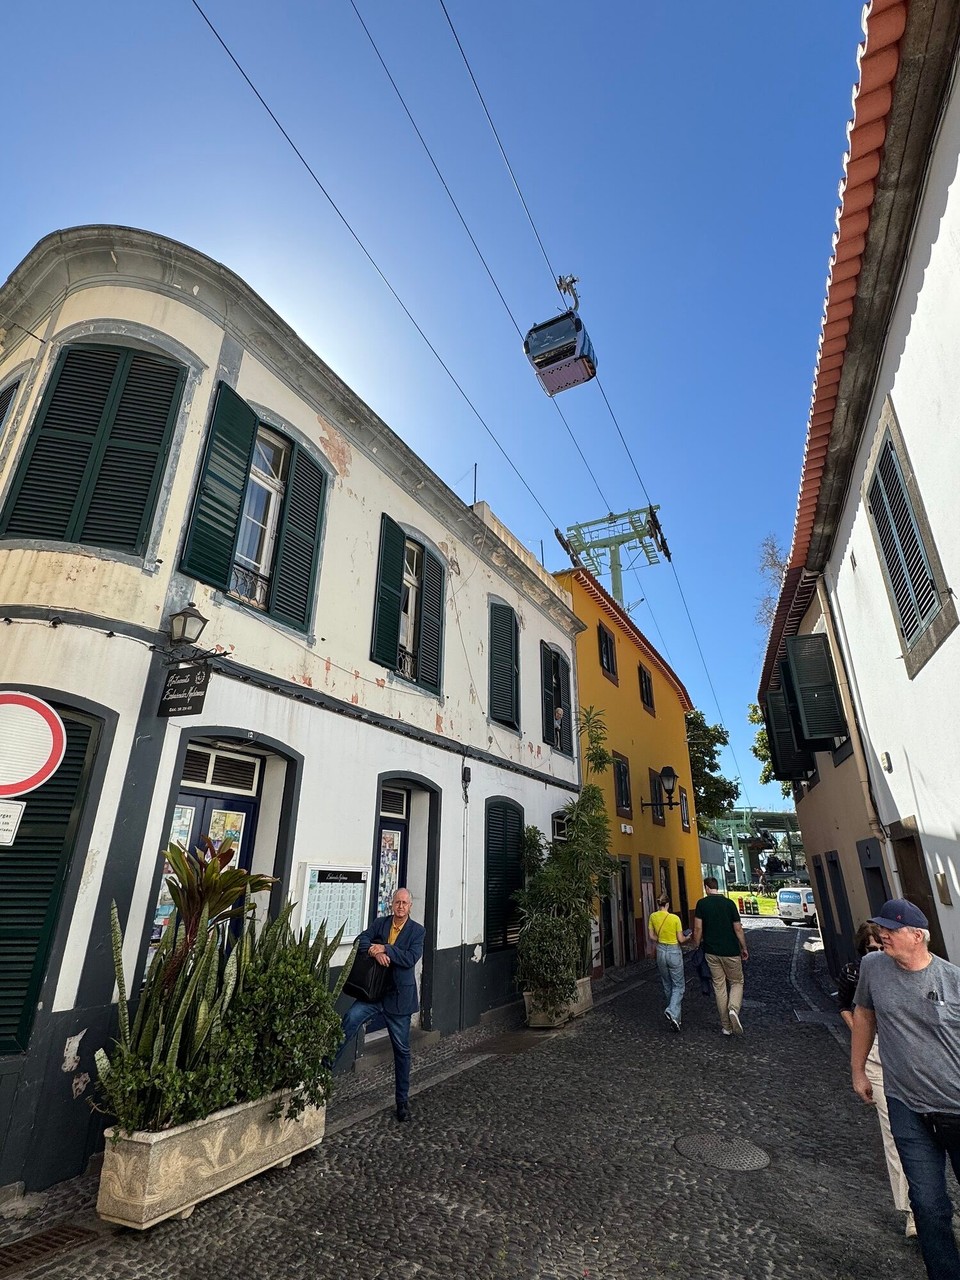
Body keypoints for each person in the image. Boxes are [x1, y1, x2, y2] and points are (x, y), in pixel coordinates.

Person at [852, 898, 960, 1279]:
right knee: (928, 1204)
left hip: (955, 1107)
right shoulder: (872, 967)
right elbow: (864, 1013)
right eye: (880, 927)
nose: (882, 934)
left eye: (891, 929)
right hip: (905, 1106)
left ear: (918, 936)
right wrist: (858, 1071)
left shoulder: (953, 980)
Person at [837, 922, 913, 1236]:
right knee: (895, 1134)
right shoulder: (856, 973)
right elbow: (844, 1004)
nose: (878, 953)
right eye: (871, 949)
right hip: (877, 1057)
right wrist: (860, 1033)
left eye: (881, 946)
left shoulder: (909, 970)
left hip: (912, 1056)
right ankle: (914, 1212)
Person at [335, 888, 425, 1122]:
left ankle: (402, 1101)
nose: (401, 906)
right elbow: (360, 941)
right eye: (397, 902)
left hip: (399, 999)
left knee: (402, 1051)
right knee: (348, 1022)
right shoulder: (380, 923)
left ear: (410, 906)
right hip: (372, 994)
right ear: (391, 904)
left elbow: (410, 958)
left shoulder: (417, 931)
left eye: (405, 902)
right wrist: (374, 952)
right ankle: (323, 1072)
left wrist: (385, 948)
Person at [692, 875, 749, 1035]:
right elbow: (738, 928)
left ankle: (726, 1026)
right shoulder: (729, 904)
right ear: (717, 887)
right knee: (737, 982)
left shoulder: (702, 904)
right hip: (731, 951)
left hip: (711, 952)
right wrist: (744, 947)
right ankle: (733, 1009)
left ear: (706, 888)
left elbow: (698, 929)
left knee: (719, 986)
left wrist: (696, 944)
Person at [648, 893, 691, 1031]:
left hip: (661, 951)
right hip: (673, 952)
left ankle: (675, 1019)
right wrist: (688, 937)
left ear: (658, 904)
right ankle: (672, 1011)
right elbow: (681, 939)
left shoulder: (653, 917)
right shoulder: (675, 918)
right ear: (668, 904)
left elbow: (651, 936)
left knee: (667, 984)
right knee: (679, 985)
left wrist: (660, 940)